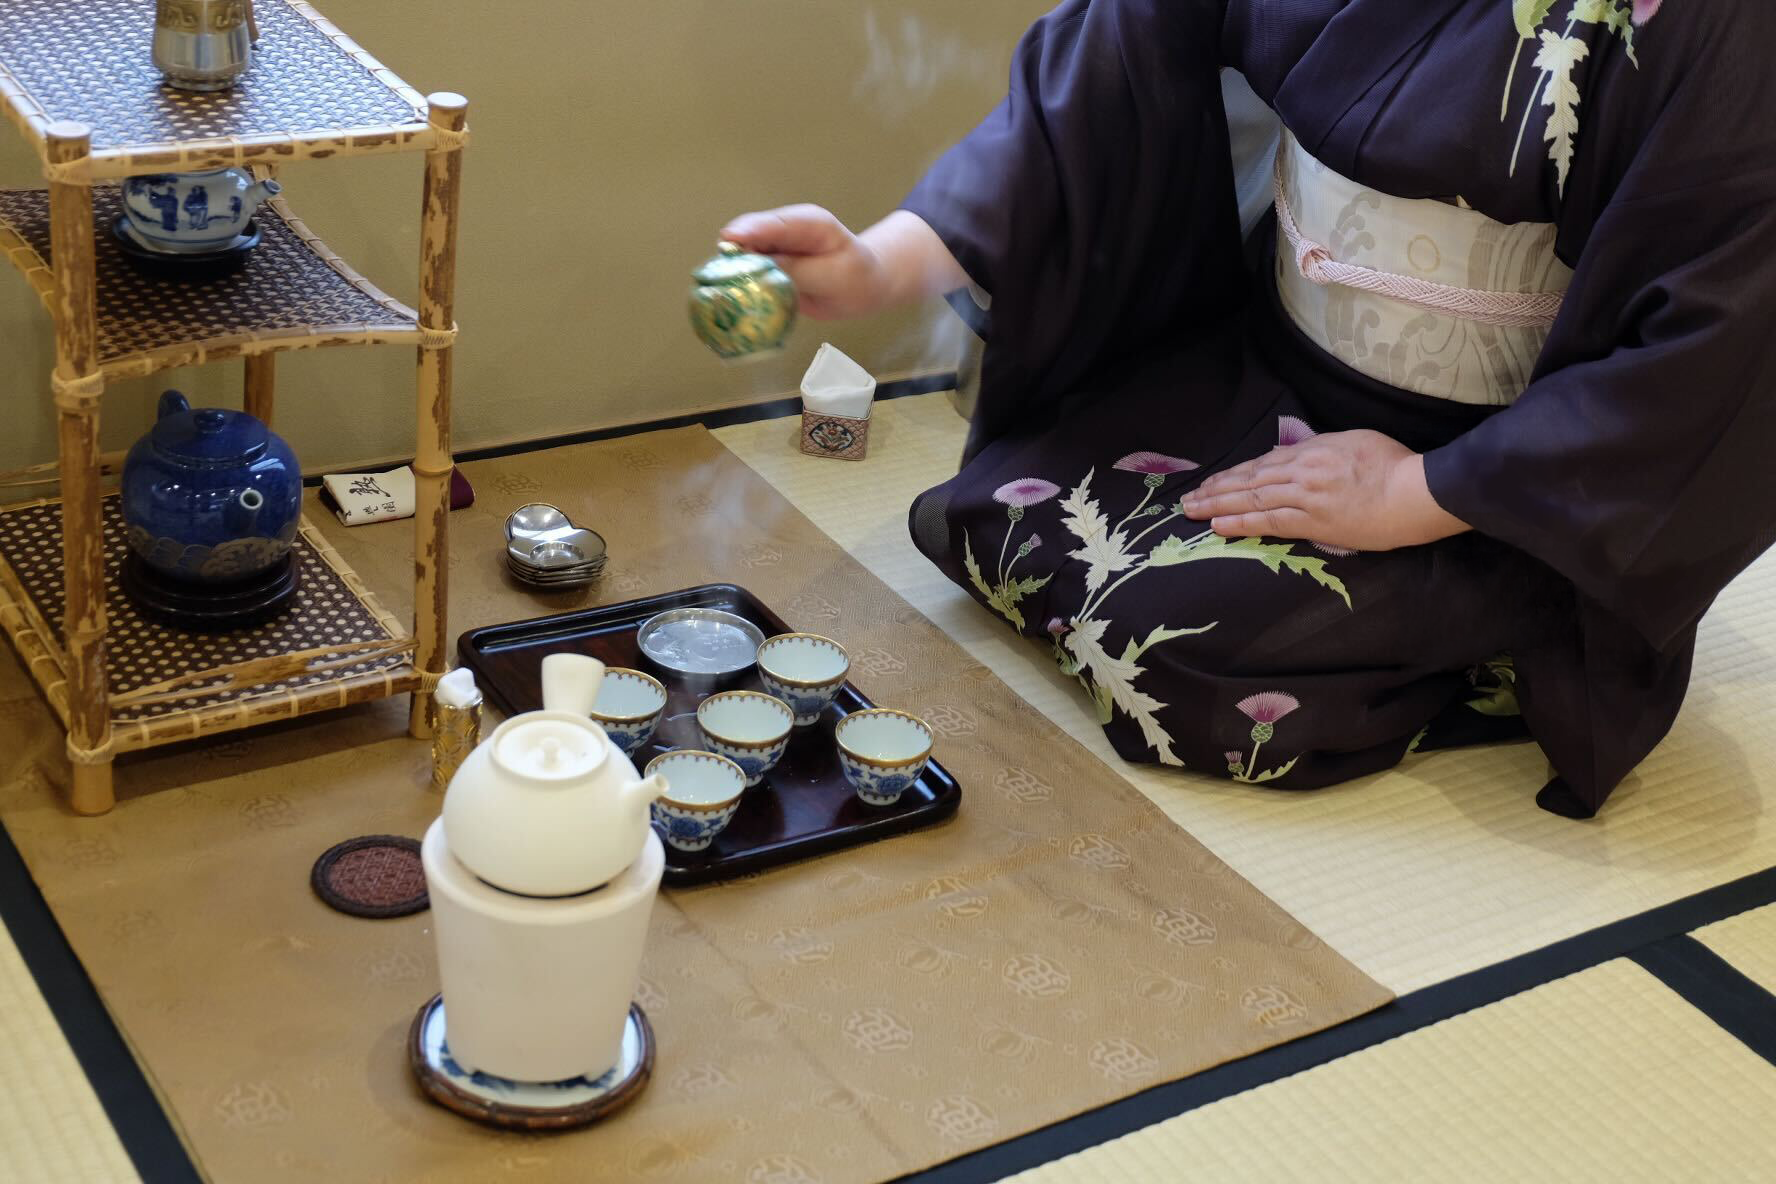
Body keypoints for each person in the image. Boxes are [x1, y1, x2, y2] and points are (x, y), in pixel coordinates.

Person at [719, 0, 1776, 818]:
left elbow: (1726, 324)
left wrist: (1414, 493)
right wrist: (878, 261)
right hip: (1278, 365)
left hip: (1499, 470)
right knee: (997, 513)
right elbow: (1101, 77)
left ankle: (1511, 633)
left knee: (1174, 653)